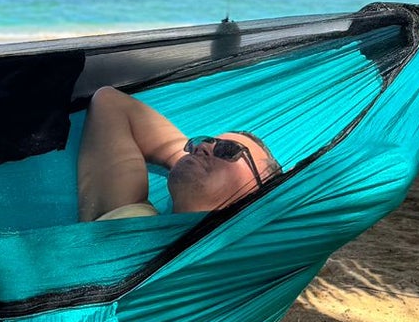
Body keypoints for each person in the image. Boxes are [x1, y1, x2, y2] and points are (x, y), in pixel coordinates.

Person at [77, 85, 281, 222]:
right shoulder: (131, 219)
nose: (203, 147)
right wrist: (192, 159)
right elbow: (109, 103)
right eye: (205, 141)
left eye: (228, 150)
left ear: (260, 192)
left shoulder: (244, 255)